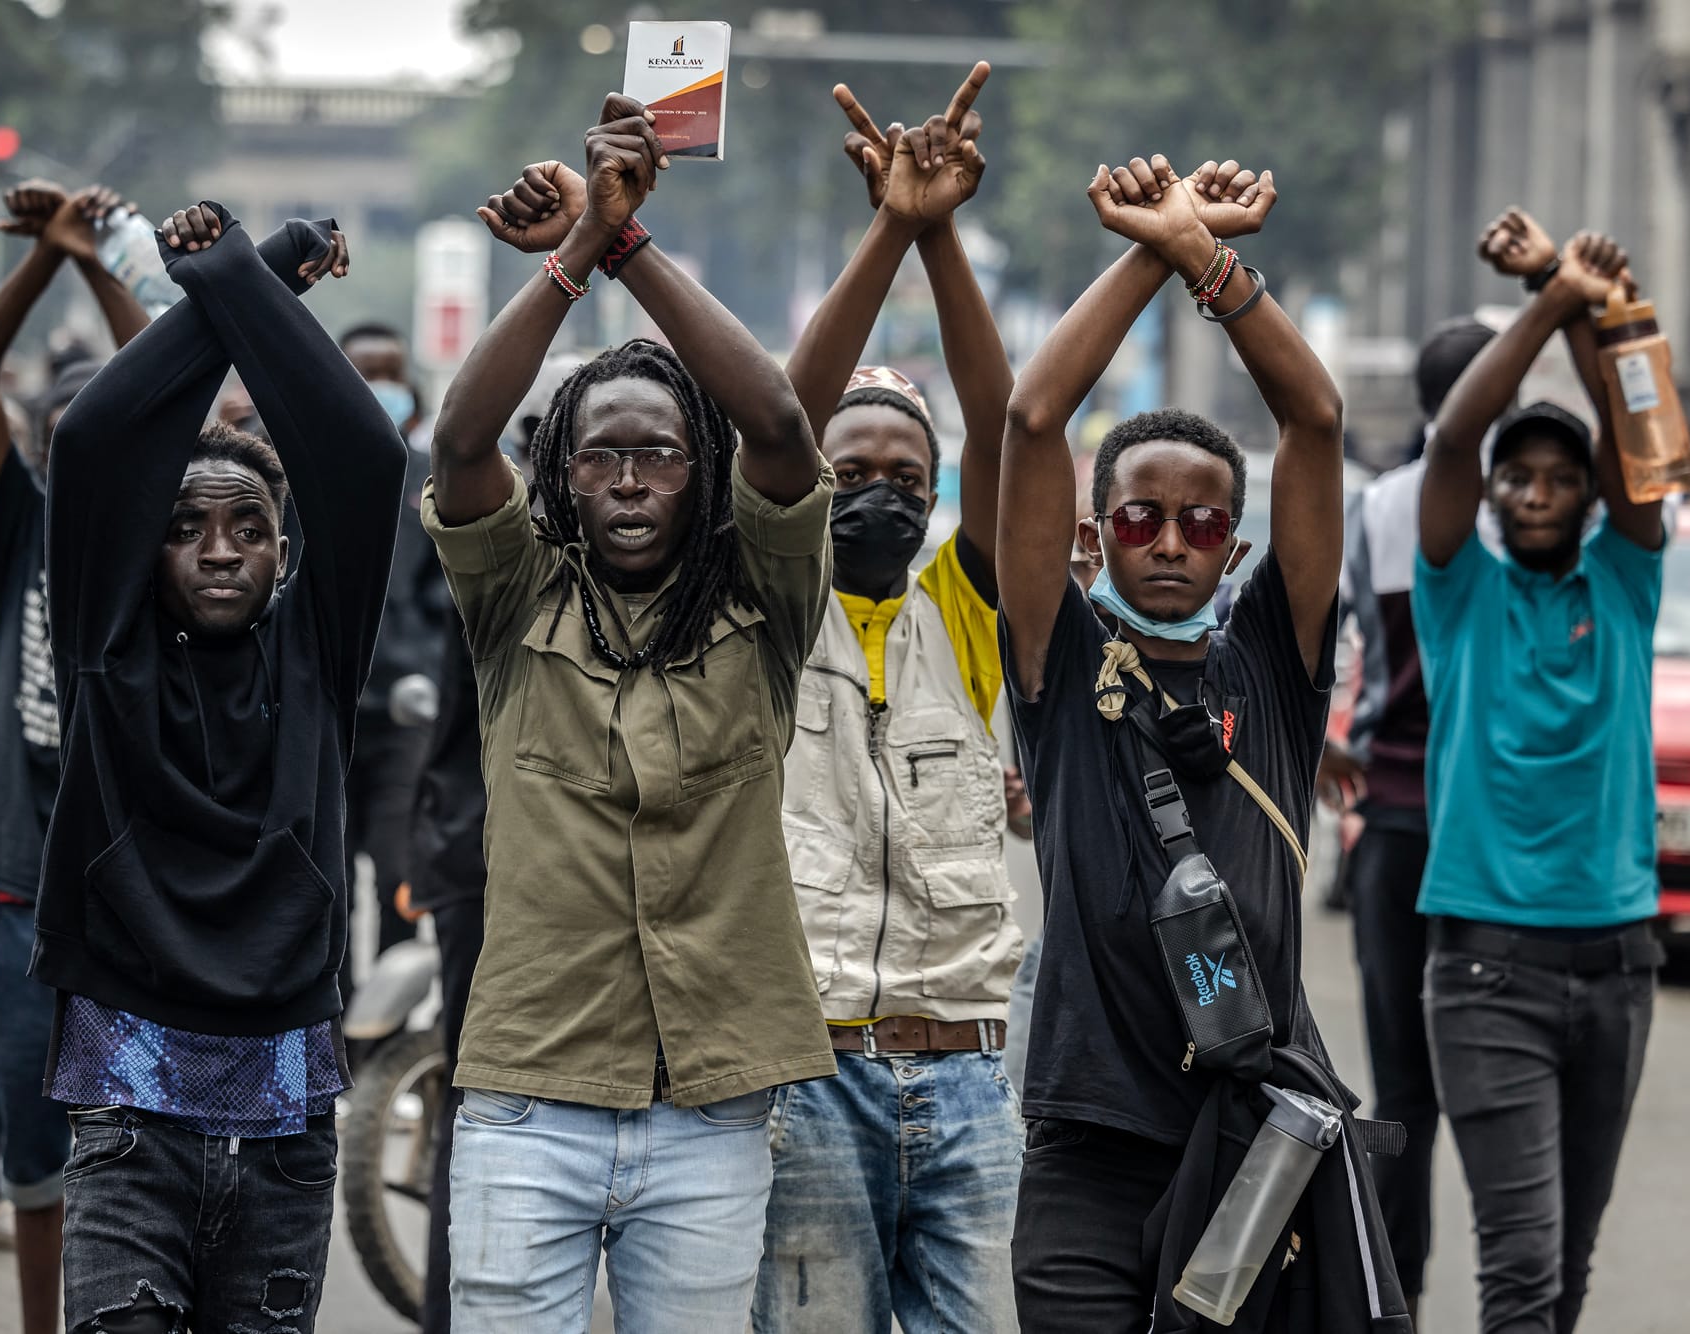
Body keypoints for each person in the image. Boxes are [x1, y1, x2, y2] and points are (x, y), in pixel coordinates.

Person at [428, 96, 836, 1329]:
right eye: (597, 454)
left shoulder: (765, 605)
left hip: (707, 1110)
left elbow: (775, 420)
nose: (625, 479)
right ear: (559, 471)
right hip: (525, 1100)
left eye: (657, 452)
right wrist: (568, 261)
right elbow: (456, 442)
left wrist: (630, 248)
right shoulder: (513, 600)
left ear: (697, 470)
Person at [995, 153, 1348, 1330]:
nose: (1169, 540)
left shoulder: (1272, 667)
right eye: (1139, 515)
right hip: (1087, 1141)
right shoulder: (1056, 656)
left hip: (1252, 1135)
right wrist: (1149, 246)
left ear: (1232, 549)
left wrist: (1209, 261)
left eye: (1201, 522)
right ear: (1094, 538)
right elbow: (1031, 416)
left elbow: (1314, 416)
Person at [36, 200, 400, 1333]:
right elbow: (95, 442)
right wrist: (229, 283)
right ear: (147, 546)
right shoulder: (105, 651)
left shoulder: (317, 653)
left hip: (284, 1112)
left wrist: (263, 274)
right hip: (125, 1103)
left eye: (248, 528)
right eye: (188, 527)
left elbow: (363, 454)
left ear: (285, 548)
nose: (220, 551)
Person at [747, 65, 1024, 1333]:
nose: (879, 492)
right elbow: (782, 420)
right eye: (850, 471)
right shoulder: (762, 606)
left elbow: (1005, 429)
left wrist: (941, 232)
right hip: (804, 1081)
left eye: (903, 475)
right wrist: (884, 232)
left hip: (967, 1075)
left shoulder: (963, 616)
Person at [1413, 211, 1661, 1334]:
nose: (1534, 490)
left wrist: (1598, 310)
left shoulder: (1623, 582)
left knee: (1564, 1272)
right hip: (1485, 973)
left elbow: (1647, 447)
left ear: (1590, 496)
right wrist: (1550, 303)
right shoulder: (1458, 592)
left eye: (1562, 475)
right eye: (1516, 475)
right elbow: (1451, 442)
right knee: (1518, 1275)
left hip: (1618, 965)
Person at [0, 179, 149, 1334]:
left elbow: (177, 381)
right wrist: (50, 258)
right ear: (55, 445)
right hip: (6, 891)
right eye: (72, 432)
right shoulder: (19, 531)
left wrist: (104, 264)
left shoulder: (174, 542)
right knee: (37, 1167)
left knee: (139, 1155)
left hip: (133, 903)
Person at [1323, 314, 1495, 1315]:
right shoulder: (1525, 505)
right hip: (1479, 832)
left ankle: (1396, 1303)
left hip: (1391, 818)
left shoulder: (1379, 505)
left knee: (1404, 1095)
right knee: (1489, 1096)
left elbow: (1318, 639)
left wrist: (1315, 738)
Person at [407, 349, 580, 1334]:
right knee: (483, 1107)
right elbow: (446, 738)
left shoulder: (659, 562)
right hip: (489, 873)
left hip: (569, 875)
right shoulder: (497, 563)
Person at [337, 320, 449, 971]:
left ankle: (384, 1034)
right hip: (326, 711)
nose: (381, 390)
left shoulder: (432, 481)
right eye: (363, 376)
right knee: (325, 879)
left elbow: (448, 594)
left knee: (397, 873)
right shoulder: (302, 472)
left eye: (390, 376)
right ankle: (330, 1028)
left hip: (406, 713)